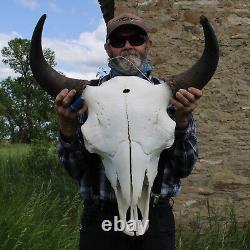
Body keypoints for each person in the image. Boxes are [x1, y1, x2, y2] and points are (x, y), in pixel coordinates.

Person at [56, 13, 202, 250]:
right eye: (118, 41)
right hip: (101, 221)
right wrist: (68, 128)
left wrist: (183, 122)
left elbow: (184, 167)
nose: (127, 46)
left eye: (136, 39)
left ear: (147, 45)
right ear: (107, 49)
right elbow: (75, 169)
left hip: (156, 219)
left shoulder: (175, 100)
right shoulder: (84, 100)